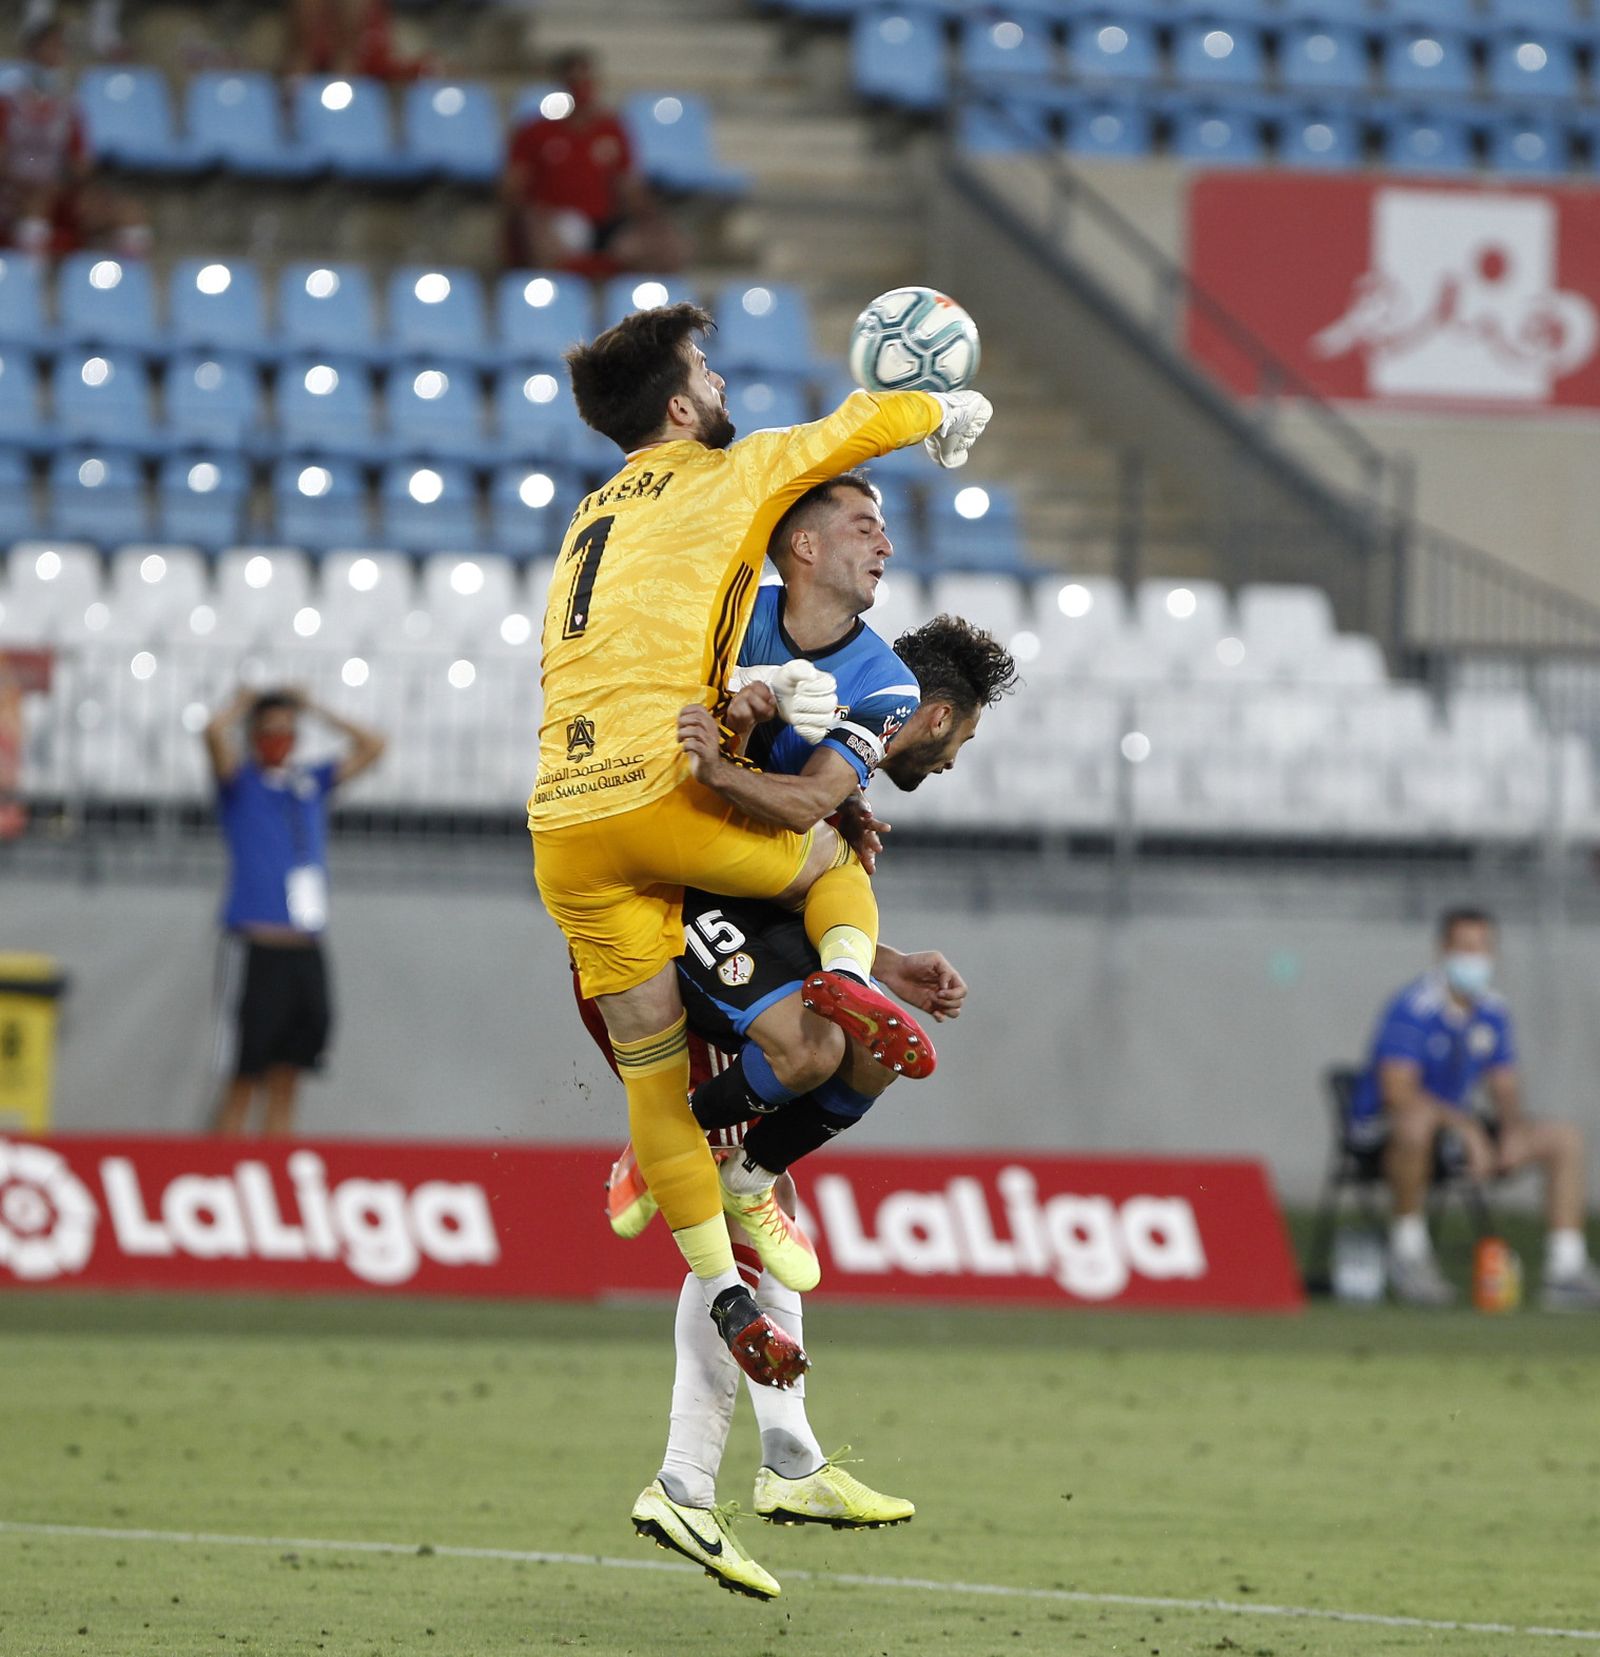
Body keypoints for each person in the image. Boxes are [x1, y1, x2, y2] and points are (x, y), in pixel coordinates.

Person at [530, 300, 991, 1391]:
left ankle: (725, 1296)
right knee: (834, 859)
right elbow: (849, 429)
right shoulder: (719, 479)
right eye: (707, 371)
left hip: (561, 825)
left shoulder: (591, 516)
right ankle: (846, 982)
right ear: (680, 410)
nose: (723, 384)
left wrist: (752, 694)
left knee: (658, 1085)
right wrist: (943, 409)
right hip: (661, 798)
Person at [1350, 906, 1600, 1310]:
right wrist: (1467, 1129)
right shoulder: (1413, 1007)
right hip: (1386, 1135)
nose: (1475, 958)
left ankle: (1566, 1268)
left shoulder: (1492, 1010)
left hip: (1455, 1132)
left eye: (1483, 947)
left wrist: (1511, 1128)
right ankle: (1408, 1253)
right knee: (1416, 1122)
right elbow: (1398, 1093)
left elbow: (1504, 1083)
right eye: (1465, 947)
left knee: (1564, 1137)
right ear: (1443, 950)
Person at [202, 687, 385, 1137]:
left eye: (287, 730)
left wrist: (316, 706)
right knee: (243, 1077)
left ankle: (274, 1168)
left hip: (306, 947)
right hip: (255, 946)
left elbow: (374, 745)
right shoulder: (241, 783)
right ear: (253, 736)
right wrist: (243, 704)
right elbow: (212, 734)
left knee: (289, 1075)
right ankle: (219, 1169)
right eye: (270, 731)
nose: (279, 738)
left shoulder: (308, 783)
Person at [501, 49, 685, 277]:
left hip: (606, 224)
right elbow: (513, 186)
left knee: (667, 245)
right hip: (561, 223)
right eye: (574, 82)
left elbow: (628, 185)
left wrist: (651, 220)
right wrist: (533, 215)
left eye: (587, 82)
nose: (581, 90)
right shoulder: (535, 132)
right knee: (543, 236)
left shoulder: (612, 129)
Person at [0, 19, 149, 258]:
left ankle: (127, 278)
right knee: (37, 205)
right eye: (48, 49)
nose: (54, 56)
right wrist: (26, 185)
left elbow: (80, 164)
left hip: (57, 192)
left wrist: (80, 186)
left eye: (60, 49)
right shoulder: (8, 106)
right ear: (30, 55)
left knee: (129, 213)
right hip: (14, 193)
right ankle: (30, 275)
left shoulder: (68, 109)